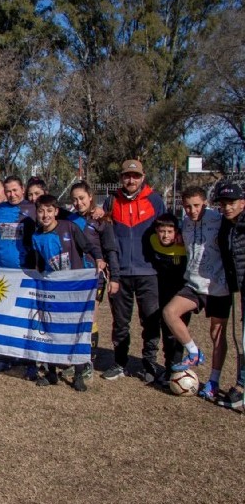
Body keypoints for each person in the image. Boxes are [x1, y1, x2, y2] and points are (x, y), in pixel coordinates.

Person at [161, 187, 231, 401]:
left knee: (217, 334)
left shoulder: (220, 220)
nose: (192, 210)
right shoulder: (185, 223)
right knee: (170, 312)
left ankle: (213, 381)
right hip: (193, 284)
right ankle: (193, 352)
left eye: (197, 205)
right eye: (188, 206)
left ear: (206, 203)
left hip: (218, 287)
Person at [30, 194, 104, 391]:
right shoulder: (36, 236)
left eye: (49, 210)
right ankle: (52, 372)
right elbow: (38, 266)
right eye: (40, 211)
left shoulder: (69, 227)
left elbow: (89, 247)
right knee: (50, 330)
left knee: (77, 331)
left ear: (55, 211)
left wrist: (98, 259)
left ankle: (79, 373)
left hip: (75, 289)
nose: (45, 215)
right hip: (52, 290)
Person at [101, 159, 165, 382]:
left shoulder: (155, 201)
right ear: (121, 178)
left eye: (135, 176)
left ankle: (149, 364)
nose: (131, 180)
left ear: (143, 177)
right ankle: (119, 362)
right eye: (127, 176)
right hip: (120, 274)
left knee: (150, 319)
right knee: (120, 322)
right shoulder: (111, 201)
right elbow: (106, 235)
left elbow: (166, 234)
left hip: (149, 273)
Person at [0, 175, 36, 372]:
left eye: (15, 190)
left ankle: (28, 359)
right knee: (4, 315)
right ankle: (3, 356)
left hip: (26, 272)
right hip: (2, 272)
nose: (12, 194)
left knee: (26, 316)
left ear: (22, 189)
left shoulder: (32, 208)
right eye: (9, 191)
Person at [68, 181, 121, 372]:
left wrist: (114, 277)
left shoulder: (102, 221)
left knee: (90, 319)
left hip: (94, 278)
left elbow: (111, 249)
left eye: (81, 198)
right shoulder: (69, 219)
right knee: (75, 319)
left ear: (90, 197)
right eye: (74, 199)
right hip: (74, 277)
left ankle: (89, 360)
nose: (78, 202)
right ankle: (74, 359)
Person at [148, 214, 188, 378]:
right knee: (165, 330)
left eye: (170, 231)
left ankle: (176, 367)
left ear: (176, 232)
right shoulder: (152, 241)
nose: (165, 235)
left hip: (181, 295)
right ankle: (169, 366)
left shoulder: (184, 246)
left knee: (177, 332)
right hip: (161, 293)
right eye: (162, 231)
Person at [217, 182, 245, 411]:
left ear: (242, 203)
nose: (227, 208)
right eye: (224, 204)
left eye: (232, 203)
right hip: (240, 287)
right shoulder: (227, 226)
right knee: (243, 339)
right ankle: (241, 386)